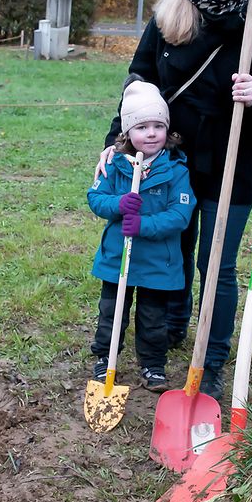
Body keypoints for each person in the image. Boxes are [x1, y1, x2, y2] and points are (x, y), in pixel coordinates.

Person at [97, 0, 252, 401]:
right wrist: (115, 139)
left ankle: (213, 358)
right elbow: (139, 79)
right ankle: (174, 328)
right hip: (171, 161)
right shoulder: (171, 12)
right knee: (173, 250)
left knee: (217, 263)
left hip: (234, 161)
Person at [88, 81, 196, 392]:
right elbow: (95, 198)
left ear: (167, 131)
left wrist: (143, 225)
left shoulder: (175, 170)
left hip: (156, 264)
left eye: (158, 126)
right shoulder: (116, 165)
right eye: (142, 127)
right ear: (127, 133)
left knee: (153, 319)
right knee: (111, 313)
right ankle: (104, 360)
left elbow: (180, 215)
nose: (151, 133)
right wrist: (119, 205)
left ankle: (152, 366)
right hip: (117, 257)